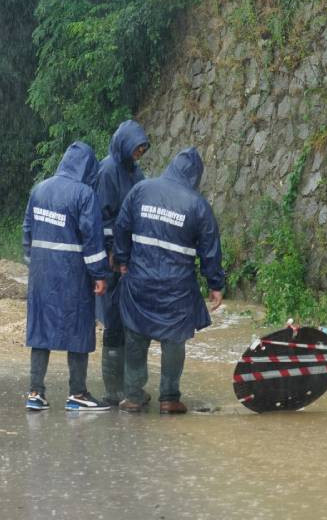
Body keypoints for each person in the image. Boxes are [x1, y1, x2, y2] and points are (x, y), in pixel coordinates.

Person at [113, 147, 225, 414]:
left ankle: (133, 396)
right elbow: (210, 249)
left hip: (140, 281)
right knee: (174, 341)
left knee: (136, 338)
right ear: (195, 175)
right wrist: (215, 285)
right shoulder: (198, 205)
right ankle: (169, 398)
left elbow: (121, 227)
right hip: (176, 289)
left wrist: (123, 260)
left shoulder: (142, 190)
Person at [22, 141, 112, 412]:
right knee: (79, 329)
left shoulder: (39, 189)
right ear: (88, 167)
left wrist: (33, 262)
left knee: (40, 330)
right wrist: (99, 274)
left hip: (40, 273)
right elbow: (92, 239)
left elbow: (27, 230)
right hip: (72, 273)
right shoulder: (84, 194)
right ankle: (78, 393)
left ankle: (35, 392)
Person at [93, 120, 150, 403]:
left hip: (131, 255)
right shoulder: (107, 171)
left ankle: (131, 388)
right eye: (137, 149)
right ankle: (112, 390)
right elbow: (102, 217)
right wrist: (112, 250)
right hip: (112, 258)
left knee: (133, 322)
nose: (139, 154)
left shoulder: (135, 172)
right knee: (114, 322)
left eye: (142, 150)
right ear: (125, 145)